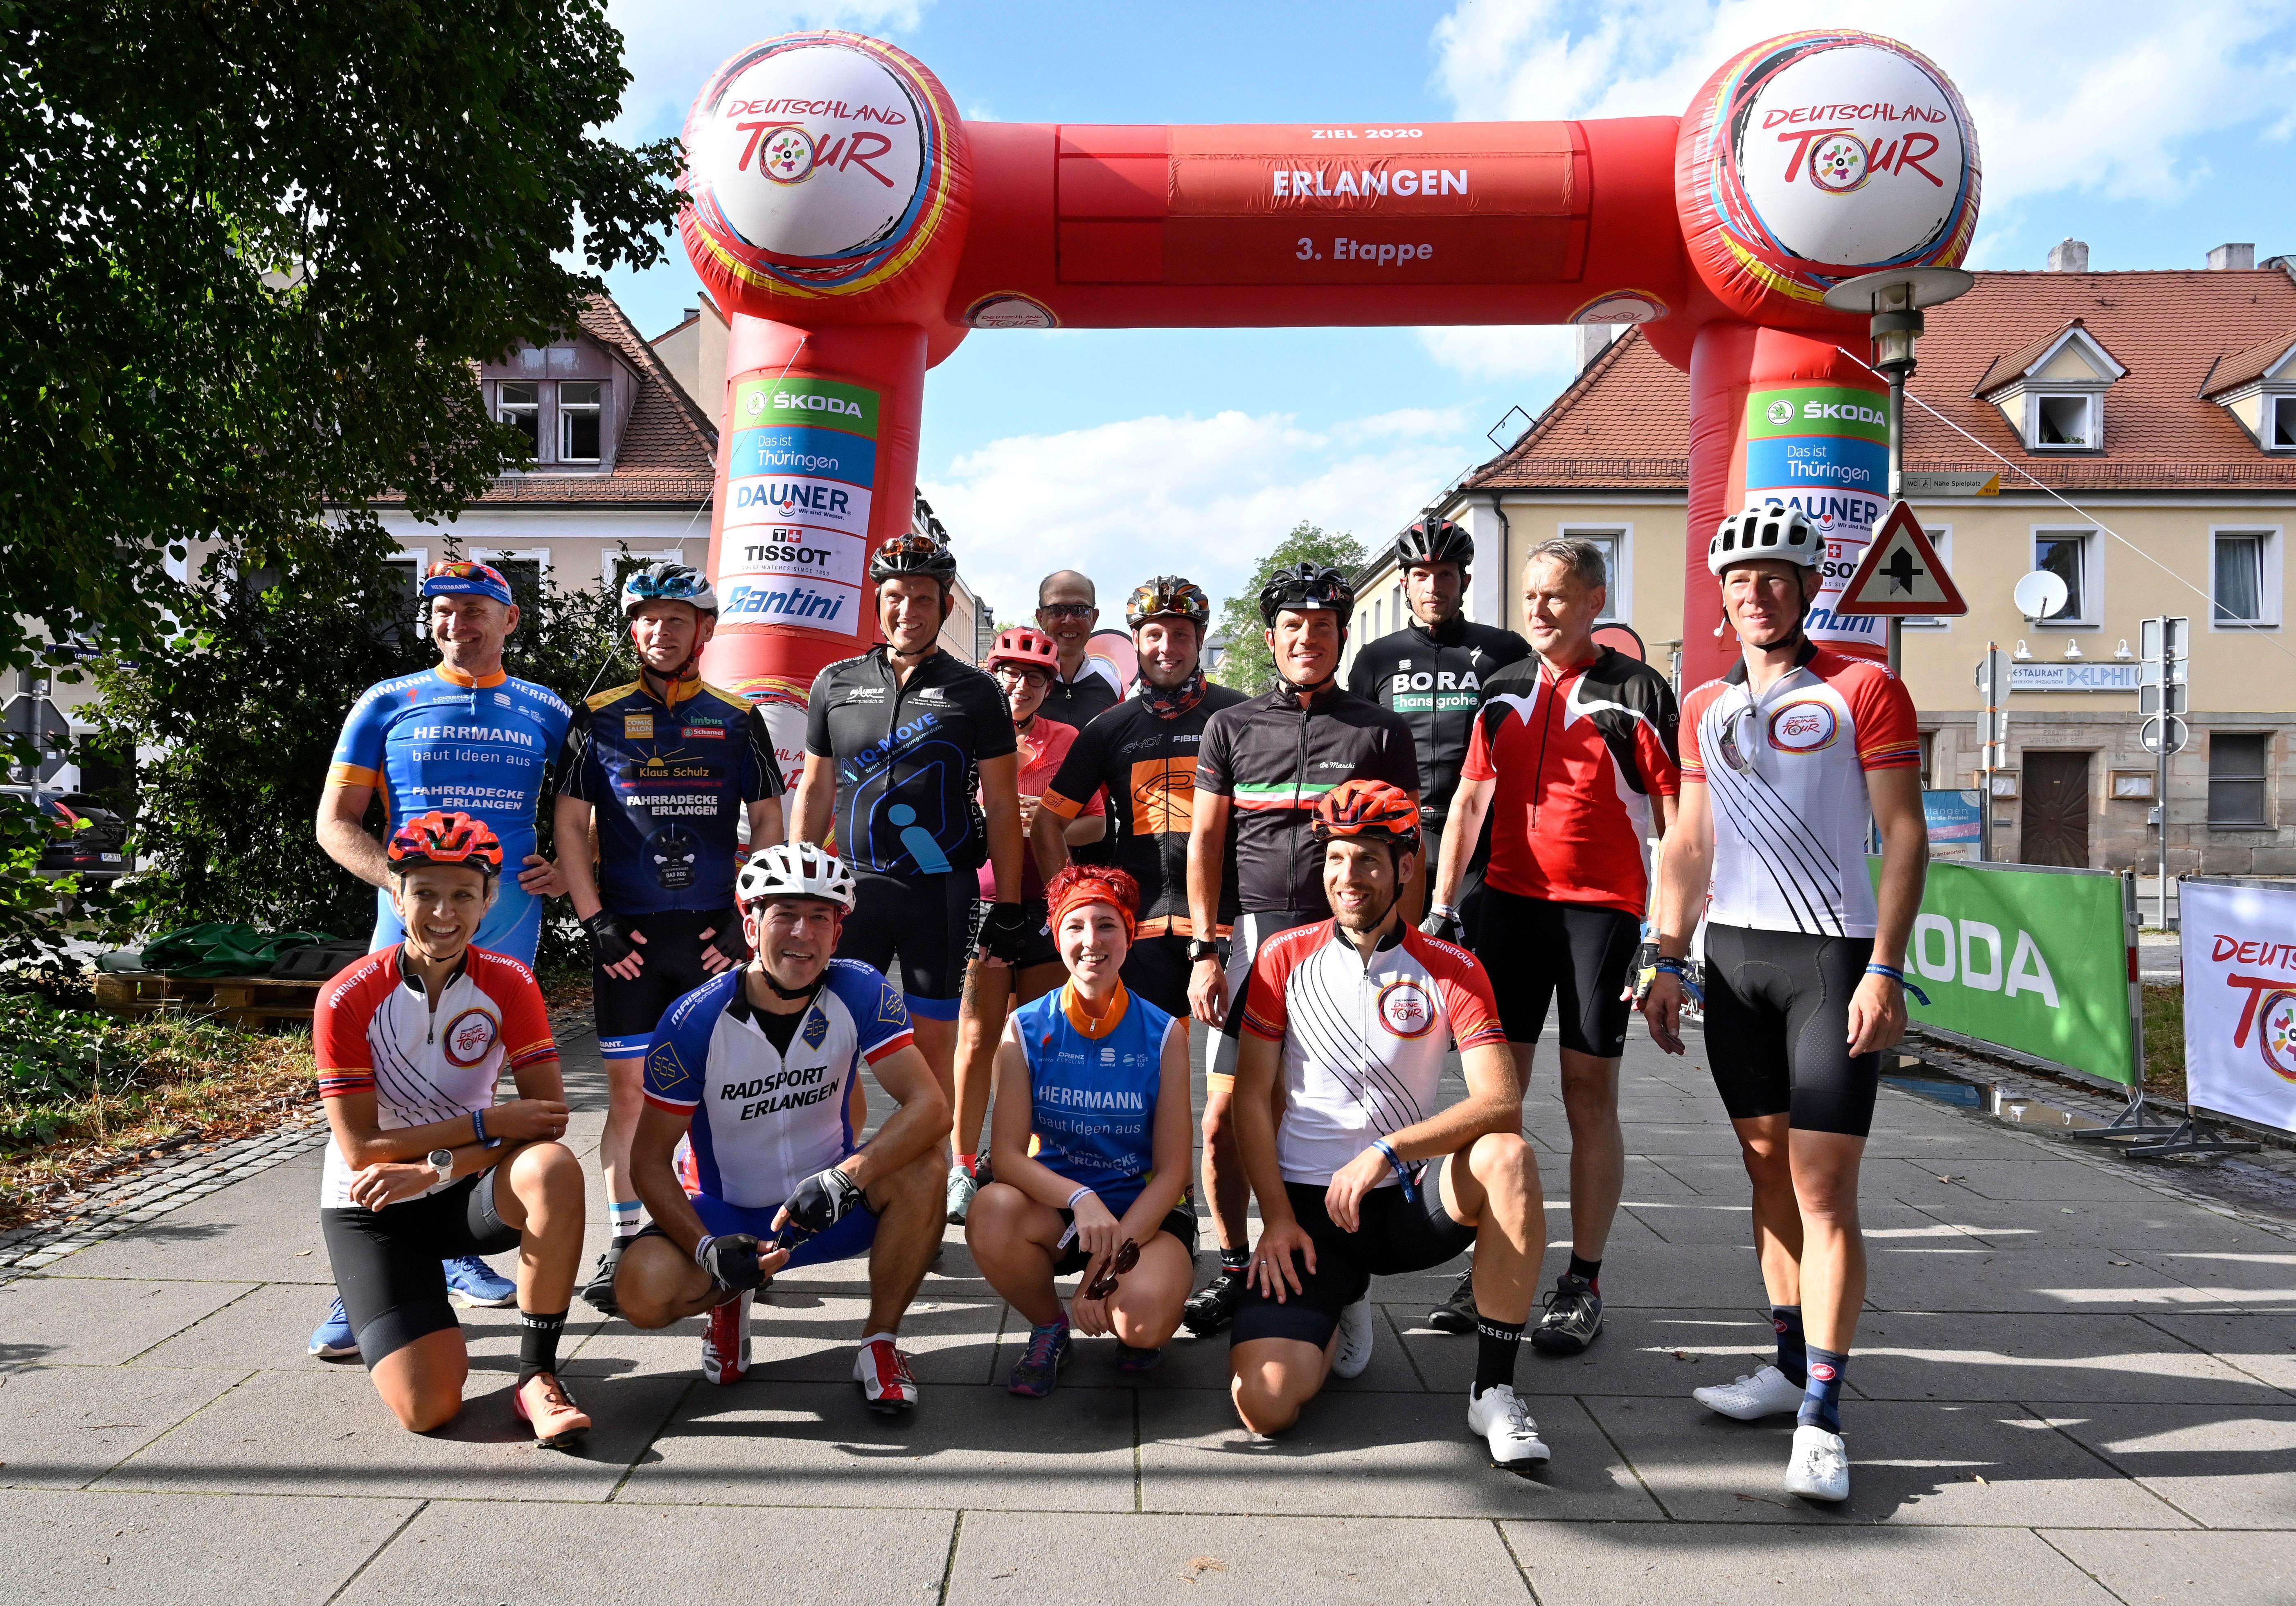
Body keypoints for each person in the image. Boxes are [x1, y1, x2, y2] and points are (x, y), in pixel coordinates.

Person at [1640, 503, 1928, 1505]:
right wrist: (1664, 955)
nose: (1753, 593)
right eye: (1737, 580)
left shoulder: (1862, 688)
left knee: (1821, 1187)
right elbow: (1686, 842)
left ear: (1806, 588)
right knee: (1763, 1168)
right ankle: (1782, 1361)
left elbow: (1902, 836)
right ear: (1721, 597)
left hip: (1829, 959)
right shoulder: (1699, 706)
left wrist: (1885, 968)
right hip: (1734, 960)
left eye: (1772, 578)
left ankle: (1822, 1410)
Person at [1224, 782, 1551, 1470]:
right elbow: (1251, 1099)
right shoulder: (1283, 957)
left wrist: (1387, 1149)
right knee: (1266, 1407)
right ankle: (1343, 1296)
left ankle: (1493, 1388)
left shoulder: (1452, 967)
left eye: (1369, 859)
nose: (1349, 877)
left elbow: (1500, 1101)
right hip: (1310, 1214)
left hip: (1407, 1202)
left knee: (1508, 1157)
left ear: (1407, 865)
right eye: (1337, 858)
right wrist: (1275, 1219)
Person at [1418, 538, 1681, 1351]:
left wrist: (1669, 945)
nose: (1536, 610)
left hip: (1600, 917)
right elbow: (1469, 799)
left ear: (1595, 600)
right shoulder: (1499, 687)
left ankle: (1582, 1279)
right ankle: (1494, 1262)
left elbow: (1678, 827)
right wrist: (1439, 905)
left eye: (1555, 597)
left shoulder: (1636, 689)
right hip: (1507, 909)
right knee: (1497, 1099)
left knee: (1587, 1098)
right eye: (1529, 596)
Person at [312, 559, 574, 1352]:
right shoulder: (387, 701)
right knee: (379, 1089)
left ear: (510, 620)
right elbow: (336, 821)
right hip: (409, 919)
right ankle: (359, 1276)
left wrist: (570, 867)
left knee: (477, 1072)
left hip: (507, 916)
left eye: (472, 610)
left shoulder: (547, 709)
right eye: (441, 611)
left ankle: (454, 1250)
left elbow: (590, 810)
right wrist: (397, 881)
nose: (455, 623)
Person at [611, 842, 952, 1411]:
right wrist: (705, 1251)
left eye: (820, 917)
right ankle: (729, 1291)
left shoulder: (861, 987)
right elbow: (647, 1161)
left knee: (923, 1166)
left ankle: (880, 1342)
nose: (803, 932)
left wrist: (846, 1178)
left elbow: (929, 1107)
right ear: (750, 926)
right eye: (785, 916)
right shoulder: (693, 1020)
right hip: (727, 1212)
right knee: (640, 1293)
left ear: (837, 934)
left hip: (825, 1205)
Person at [1179, 561, 1419, 1336]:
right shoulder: (1232, 725)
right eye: (1292, 627)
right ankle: (1237, 1263)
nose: (1306, 639)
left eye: (1322, 628)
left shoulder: (1378, 730)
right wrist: (1205, 949)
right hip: (1251, 937)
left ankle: (1340, 1280)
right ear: (1271, 638)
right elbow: (1206, 843)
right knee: (1224, 1123)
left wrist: (1401, 950)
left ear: (1342, 637)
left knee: (1327, 1118)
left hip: (1342, 944)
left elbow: (1407, 847)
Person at [314, 811, 591, 1446]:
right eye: (425, 893)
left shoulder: (511, 981)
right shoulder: (347, 996)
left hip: (458, 1192)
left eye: (463, 894)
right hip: (372, 1207)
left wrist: (437, 1166)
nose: (444, 912)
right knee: (429, 1408)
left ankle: (536, 1375)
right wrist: (488, 1122)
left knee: (552, 1168)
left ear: (489, 898)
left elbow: (546, 1120)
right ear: (395, 894)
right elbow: (362, 1149)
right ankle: (384, 1303)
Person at [553, 562, 786, 1315]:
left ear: (705, 632)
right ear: (633, 629)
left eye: (678, 620)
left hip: (712, 937)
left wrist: (742, 917)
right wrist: (594, 922)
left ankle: (728, 1234)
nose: (662, 631)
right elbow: (568, 825)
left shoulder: (734, 715)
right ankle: (625, 1239)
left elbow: (771, 821)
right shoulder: (598, 714)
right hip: (629, 939)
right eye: (649, 619)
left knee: (722, 1098)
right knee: (628, 1100)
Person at [789, 534, 1028, 1098]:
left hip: (939, 892)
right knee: (832, 1049)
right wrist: (798, 881)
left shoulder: (977, 691)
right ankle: (836, 1177)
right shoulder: (835, 682)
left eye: (923, 598)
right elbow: (817, 786)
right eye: (895, 595)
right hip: (853, 886)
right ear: (878, 601)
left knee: (932, 1053)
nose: (907, 611)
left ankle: (927, 1180)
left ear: (946, 605)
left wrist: (1011, 905)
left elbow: (1000, 803)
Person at [965, 865, 1196, 1395]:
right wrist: (1080, 1197)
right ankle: (1051, 1327)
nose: (1091, 941)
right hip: (1061, 1212)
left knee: (1142, 1325)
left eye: (1106, 925)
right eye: (1075, 926)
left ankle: (1127, 1301)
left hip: (1144, 1216)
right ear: (1056, 934)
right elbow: (1005, 1155)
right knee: (991, 1210)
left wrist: (1105, 1269)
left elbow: (1172, 1174)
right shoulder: (1025, 1025)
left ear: (1130, 933)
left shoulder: (1164, 1033)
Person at [945, 625, 1106, 1223]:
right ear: (992, 674)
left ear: (1048, 686)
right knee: (976, 1039)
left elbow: (1095, 822)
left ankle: (1034, 1161)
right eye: (1009, 673)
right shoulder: (964, 730)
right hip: (984, 903)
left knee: (1040, 1042)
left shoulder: (1066, 738)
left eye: (1034, 677)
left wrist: (1048, 822)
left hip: (1046, 906)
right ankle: (961, 1166)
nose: (1019, 685)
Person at [1030, 575, 1246, 1022]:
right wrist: (1066, 902)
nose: (1167, 646)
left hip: (1230, 918)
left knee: (1236, 1080)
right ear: (1135, 641)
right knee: (1155, 1069)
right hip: (1141, 920)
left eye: (1181, 634)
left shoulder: (1239, 716)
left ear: (1200, 638)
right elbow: (1047, 824)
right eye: (1154, 634)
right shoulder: (1110, 727)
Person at [1345, 516, 1531, 924]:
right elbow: (1354, 750)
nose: (1433, 586)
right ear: (1404, 584)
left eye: (1445, 574)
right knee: (1397, 965)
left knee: (1471, 963)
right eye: (1422, 575)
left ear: (1464, 581)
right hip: (1395, 834)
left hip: (1481, 838)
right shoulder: (1375, 659)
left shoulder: (1507, 650)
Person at [1033, 569, 1124, 730]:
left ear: (1094, 618)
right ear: (1041, 618)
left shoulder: (1113, 687)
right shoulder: (1022, 684)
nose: (1069, 620)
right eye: (1057, 610)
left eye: (1080, 610)